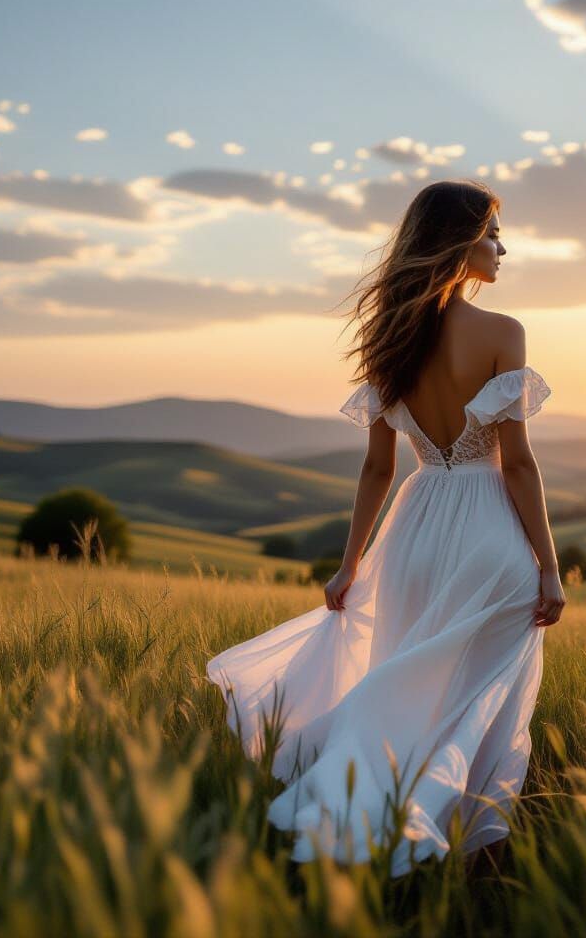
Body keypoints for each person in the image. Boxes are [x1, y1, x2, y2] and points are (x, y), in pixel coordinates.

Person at [207, 178, 567, 877]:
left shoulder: (388, 340)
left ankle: (380, 821)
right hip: (487, 536)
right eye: (493, 235)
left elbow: (377, 469)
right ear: (459, 243)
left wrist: (351, 563)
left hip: (412, 533)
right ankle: (476, 866)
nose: (502, 250)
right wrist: (549, 568)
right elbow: (519, 465)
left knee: (409, 690)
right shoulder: (505, 333)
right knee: (487, 708)